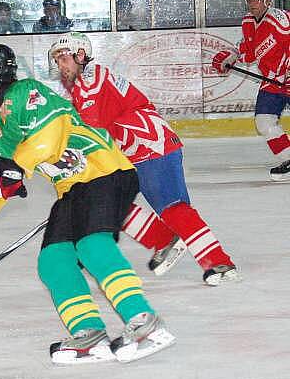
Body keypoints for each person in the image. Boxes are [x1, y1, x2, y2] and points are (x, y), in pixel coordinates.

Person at [0, 43, 175, 364]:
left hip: (104, 170)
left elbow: (49, 130)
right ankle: (89, 334)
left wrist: (19, 165)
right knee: (53, 261)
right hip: (71, 189)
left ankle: (145, 323)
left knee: (93, 246)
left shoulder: (25, 93)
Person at [49, 32, 240, 286]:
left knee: (173, 209)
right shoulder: (84, 84)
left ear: (80, 55)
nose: (61, 65)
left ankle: (219, 263)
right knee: (109, 205)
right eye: (57, 60)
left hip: (151, 147)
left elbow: (92, 129)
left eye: (64, 58)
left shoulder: (92, 80)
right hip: (130, 155)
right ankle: (164, 240)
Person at [212, 0, 290, 181]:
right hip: (272, 80)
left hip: (287, 75)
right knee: (264, 121)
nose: (252, 2)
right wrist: (232, 56)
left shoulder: (280, 20)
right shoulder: (248, 21)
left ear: (267, 0)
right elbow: (250, 52)